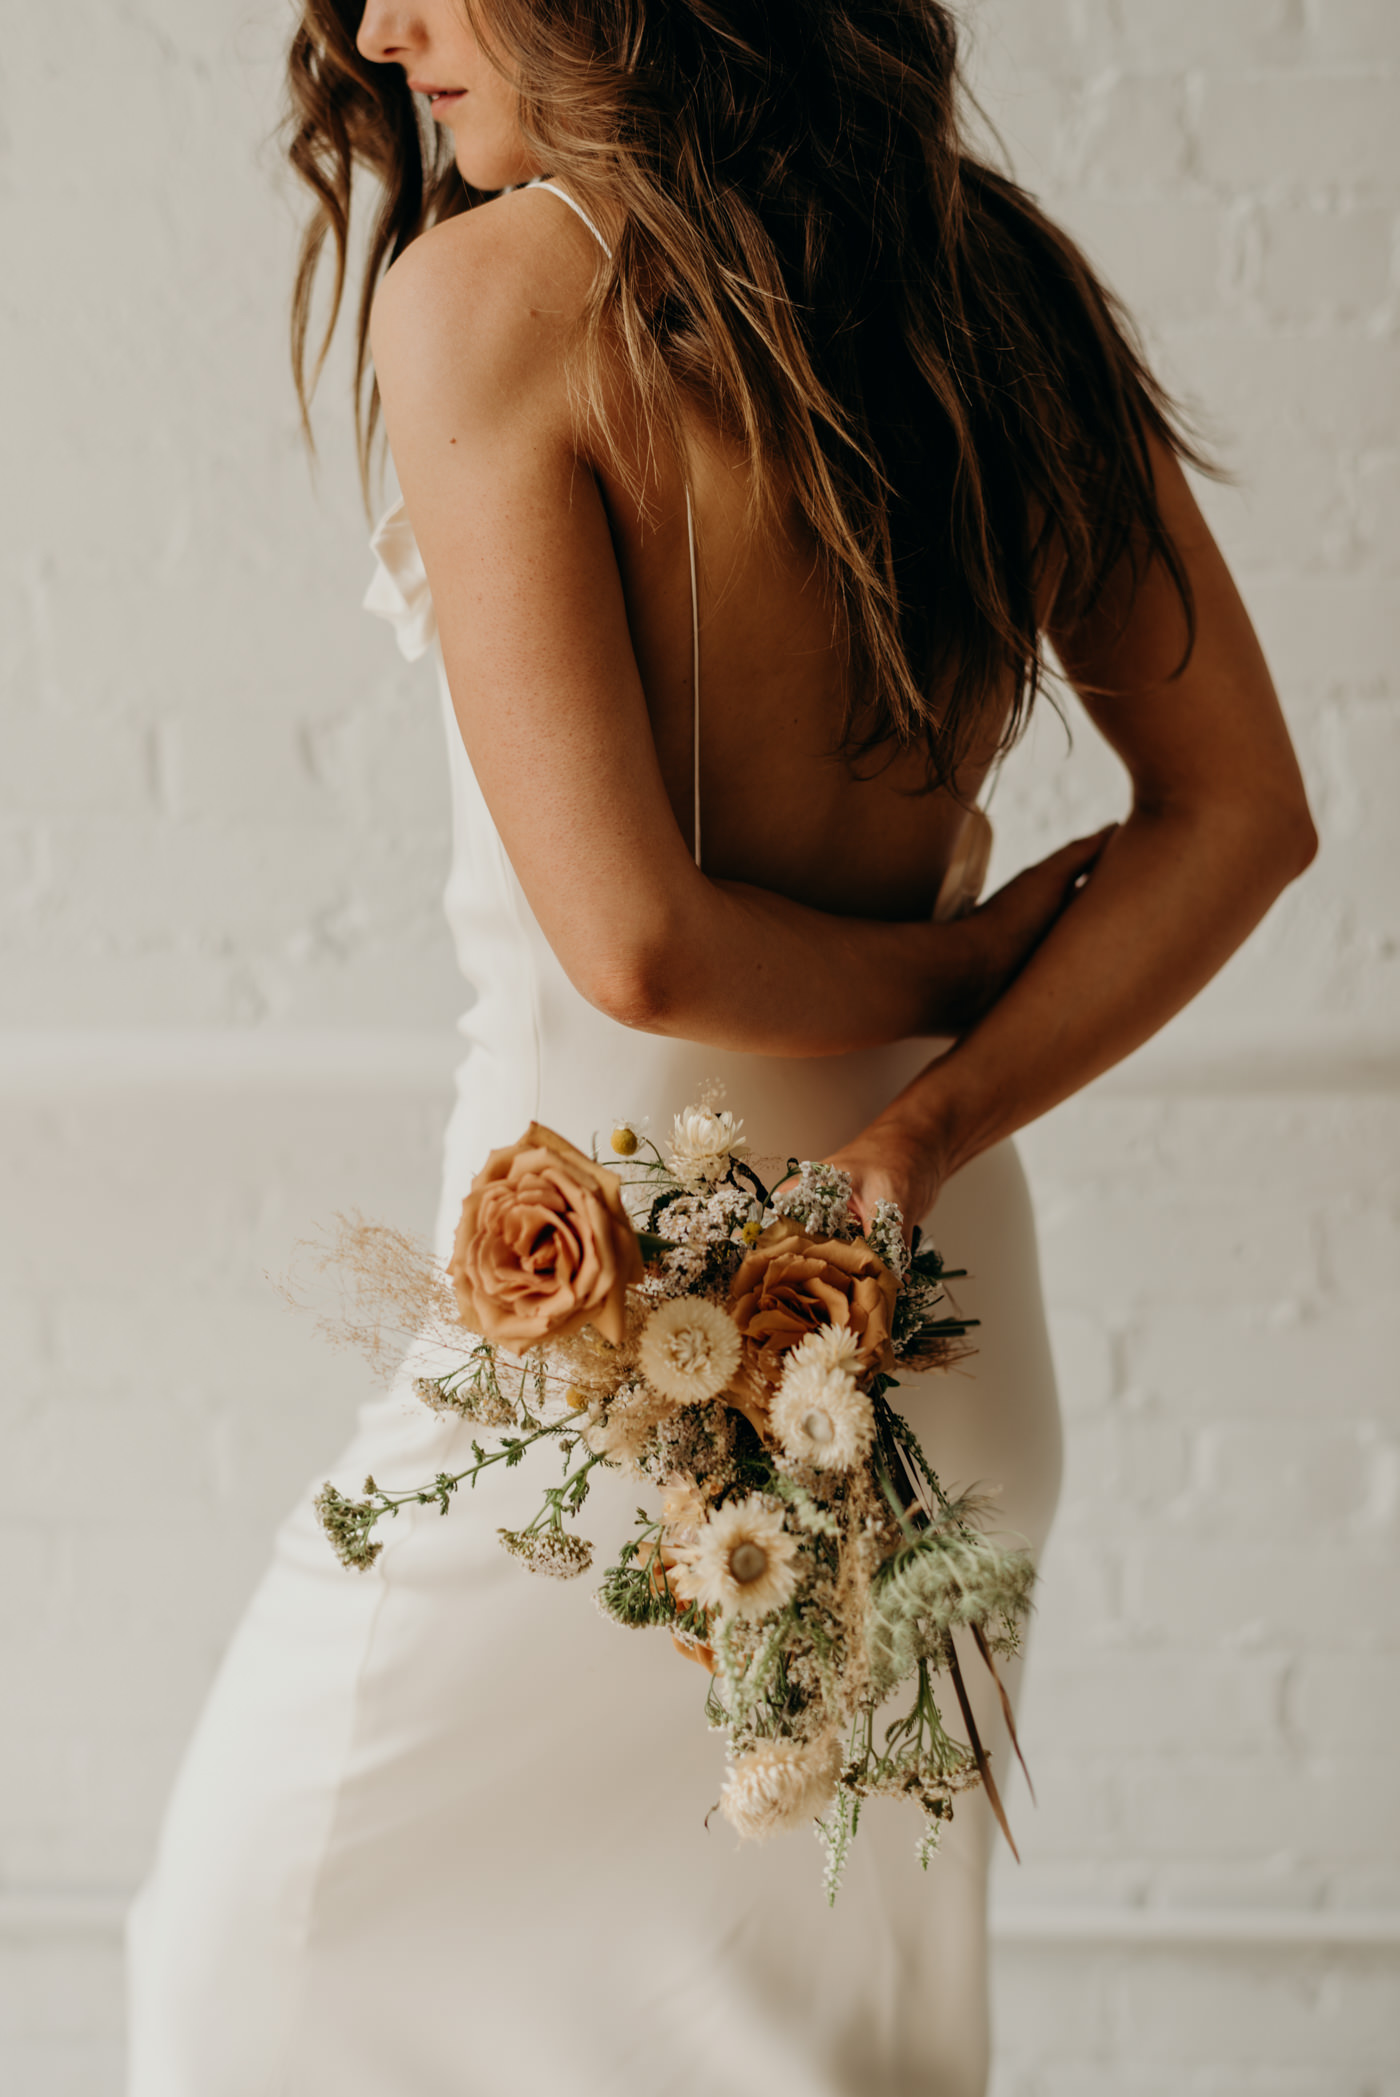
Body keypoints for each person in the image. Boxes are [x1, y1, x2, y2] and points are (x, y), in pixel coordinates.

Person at [125, 3, 1317, 2092]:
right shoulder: (990, 278)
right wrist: (942, 1069)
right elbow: (1244, 813)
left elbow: (641, 950)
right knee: (818, 2051)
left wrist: (939, 1000)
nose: (384, 27)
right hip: (923, 1310)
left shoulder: (484, 297)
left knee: (247, 1962)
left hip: (611, 1346)